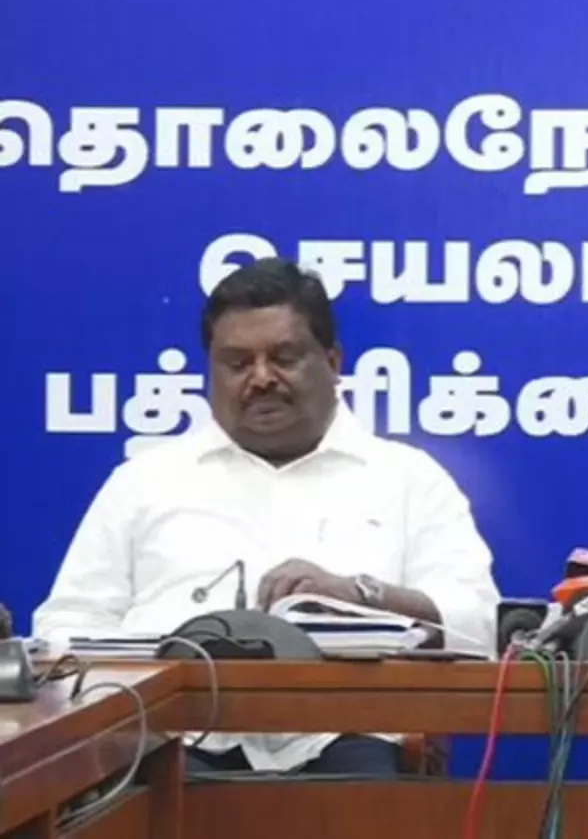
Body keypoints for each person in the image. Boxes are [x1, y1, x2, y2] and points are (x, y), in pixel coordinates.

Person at [33, 257, 501, 776]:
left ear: (333, 360)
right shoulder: (144, 480)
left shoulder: (409, 479)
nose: (261, 379)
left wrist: (361, 595)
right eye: (237, 363)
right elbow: (67, 626)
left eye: (284, 358)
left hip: (348, 736)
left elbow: (478, 626)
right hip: (172, 741)